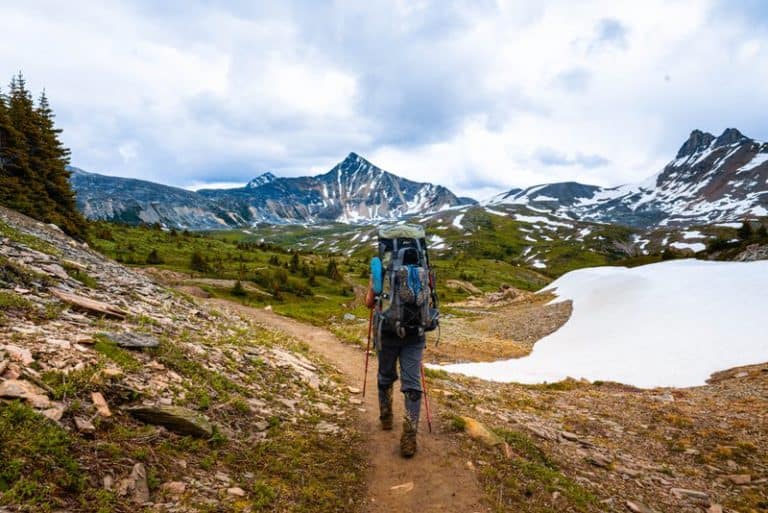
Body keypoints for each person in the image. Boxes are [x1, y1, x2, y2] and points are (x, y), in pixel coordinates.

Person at [365, 247, 425, 458]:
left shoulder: (382, 270)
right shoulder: (422, 268)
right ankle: (409, 438)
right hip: (415, 335)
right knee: (412, 384)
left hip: (388, 334)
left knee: (385, 375)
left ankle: (386, 417)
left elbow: (369, 303)